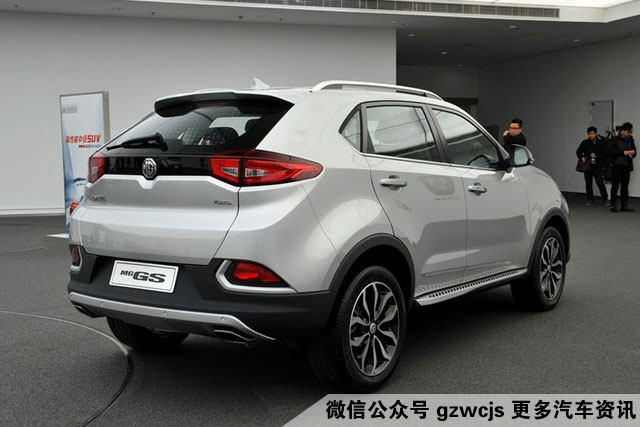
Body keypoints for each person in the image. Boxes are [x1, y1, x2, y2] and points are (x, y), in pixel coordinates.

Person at [576, 126, 609, 206]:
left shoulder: (601, 143)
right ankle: (589, 199)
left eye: (592, 134)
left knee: (600, 183)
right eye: (589, 134)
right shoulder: (585, 142)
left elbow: (606, 154)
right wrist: (581, 157)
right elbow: (578, 151)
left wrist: (596, 156)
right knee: (588, 183)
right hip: (588, 166)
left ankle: (605, 199)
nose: (590, 135)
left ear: (596, 133)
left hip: (597, 166)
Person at [609, 122, 636, 212]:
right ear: (623, 131)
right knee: (615, 185)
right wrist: (623, 152)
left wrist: (632, 153)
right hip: (617, 165)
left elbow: (634, 152)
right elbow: (611, 151)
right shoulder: (615, 139)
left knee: (625, 186)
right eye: (629, 132)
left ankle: (624, 205)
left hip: (627, 165)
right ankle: (613, 205)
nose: (630, 134)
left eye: (631, 132)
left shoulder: (630, 139)